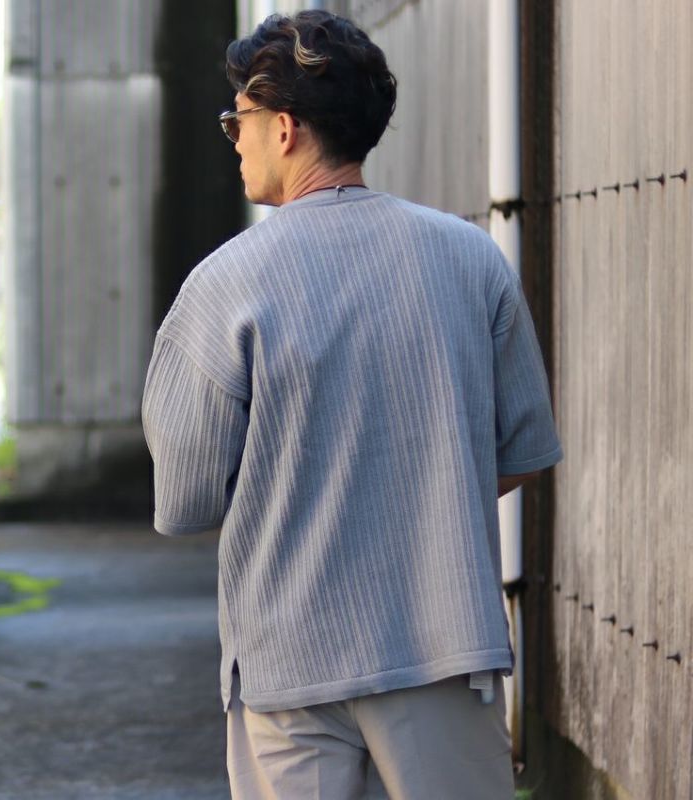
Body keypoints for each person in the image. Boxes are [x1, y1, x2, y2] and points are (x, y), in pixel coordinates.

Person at [141, 9, 562, 799]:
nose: (234, 139)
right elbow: (522, 453)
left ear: (285, 128)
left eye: (240, 120)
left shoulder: (224, 284)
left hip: (287, 664)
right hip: (443, 647)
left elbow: (187, 501)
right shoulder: (471, 259)